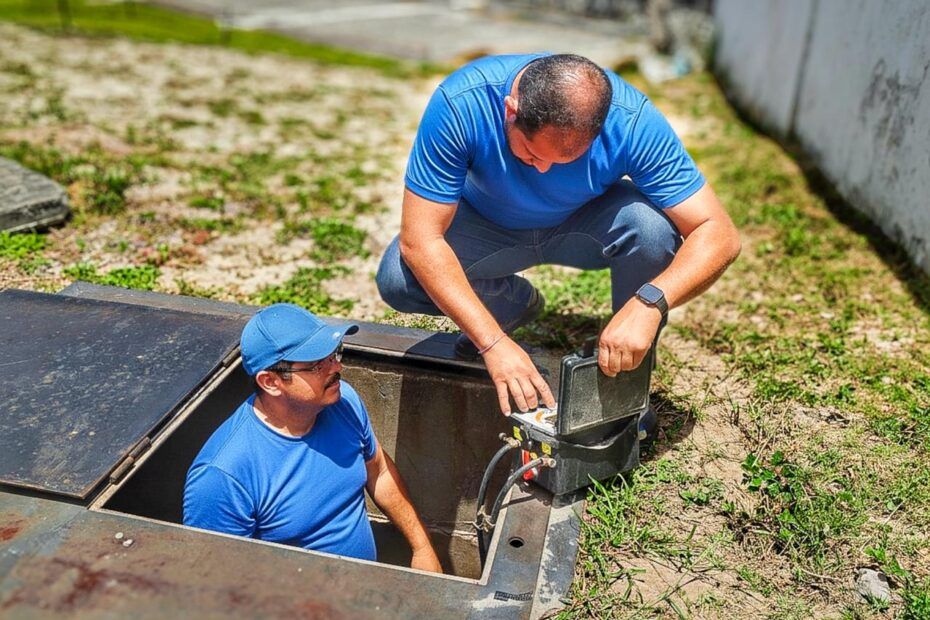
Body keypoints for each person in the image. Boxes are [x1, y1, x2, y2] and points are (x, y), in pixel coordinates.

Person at [376, 53, 740, 420]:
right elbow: (421, 241)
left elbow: (719, 233)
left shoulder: (631, 121)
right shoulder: (462, 104)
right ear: (510, 111)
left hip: (581, 227)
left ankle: (626, 379)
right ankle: (511, 304)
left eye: (566, 161)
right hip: (489, 226)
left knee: (651, 229)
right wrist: (493, 342)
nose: (544, 169)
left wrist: (650, 303)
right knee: (399, 278)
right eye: (532, 154)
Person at [183, 303, 442, 573]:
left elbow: (378, 469)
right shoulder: (223, 475)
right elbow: (216, 582)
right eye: (317, 365)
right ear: (270, 382)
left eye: (334, 354)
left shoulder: (344, 402)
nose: (336, 367)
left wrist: (422, 549)